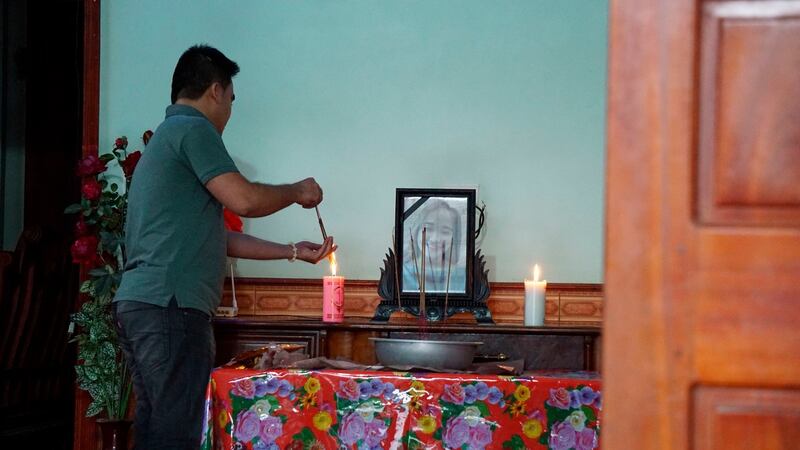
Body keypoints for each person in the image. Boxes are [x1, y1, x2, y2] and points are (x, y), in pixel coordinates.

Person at [112, 44, 335, 450]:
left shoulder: (168, 138)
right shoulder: (194, 129)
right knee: (175, 434)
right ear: (215, 90)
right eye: (231, 98)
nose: (230, 110)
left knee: (157, 428)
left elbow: (221, 236)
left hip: (146, 304)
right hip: (170, 307)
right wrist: (298, 191)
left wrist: (291, 251)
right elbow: (245, 200)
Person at [402, 198, 465, 294]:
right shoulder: (402, 272)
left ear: (454, 237)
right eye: (428, 228)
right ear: (416, 231)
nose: (435, 238)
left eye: (445, 231)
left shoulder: (463, 276)